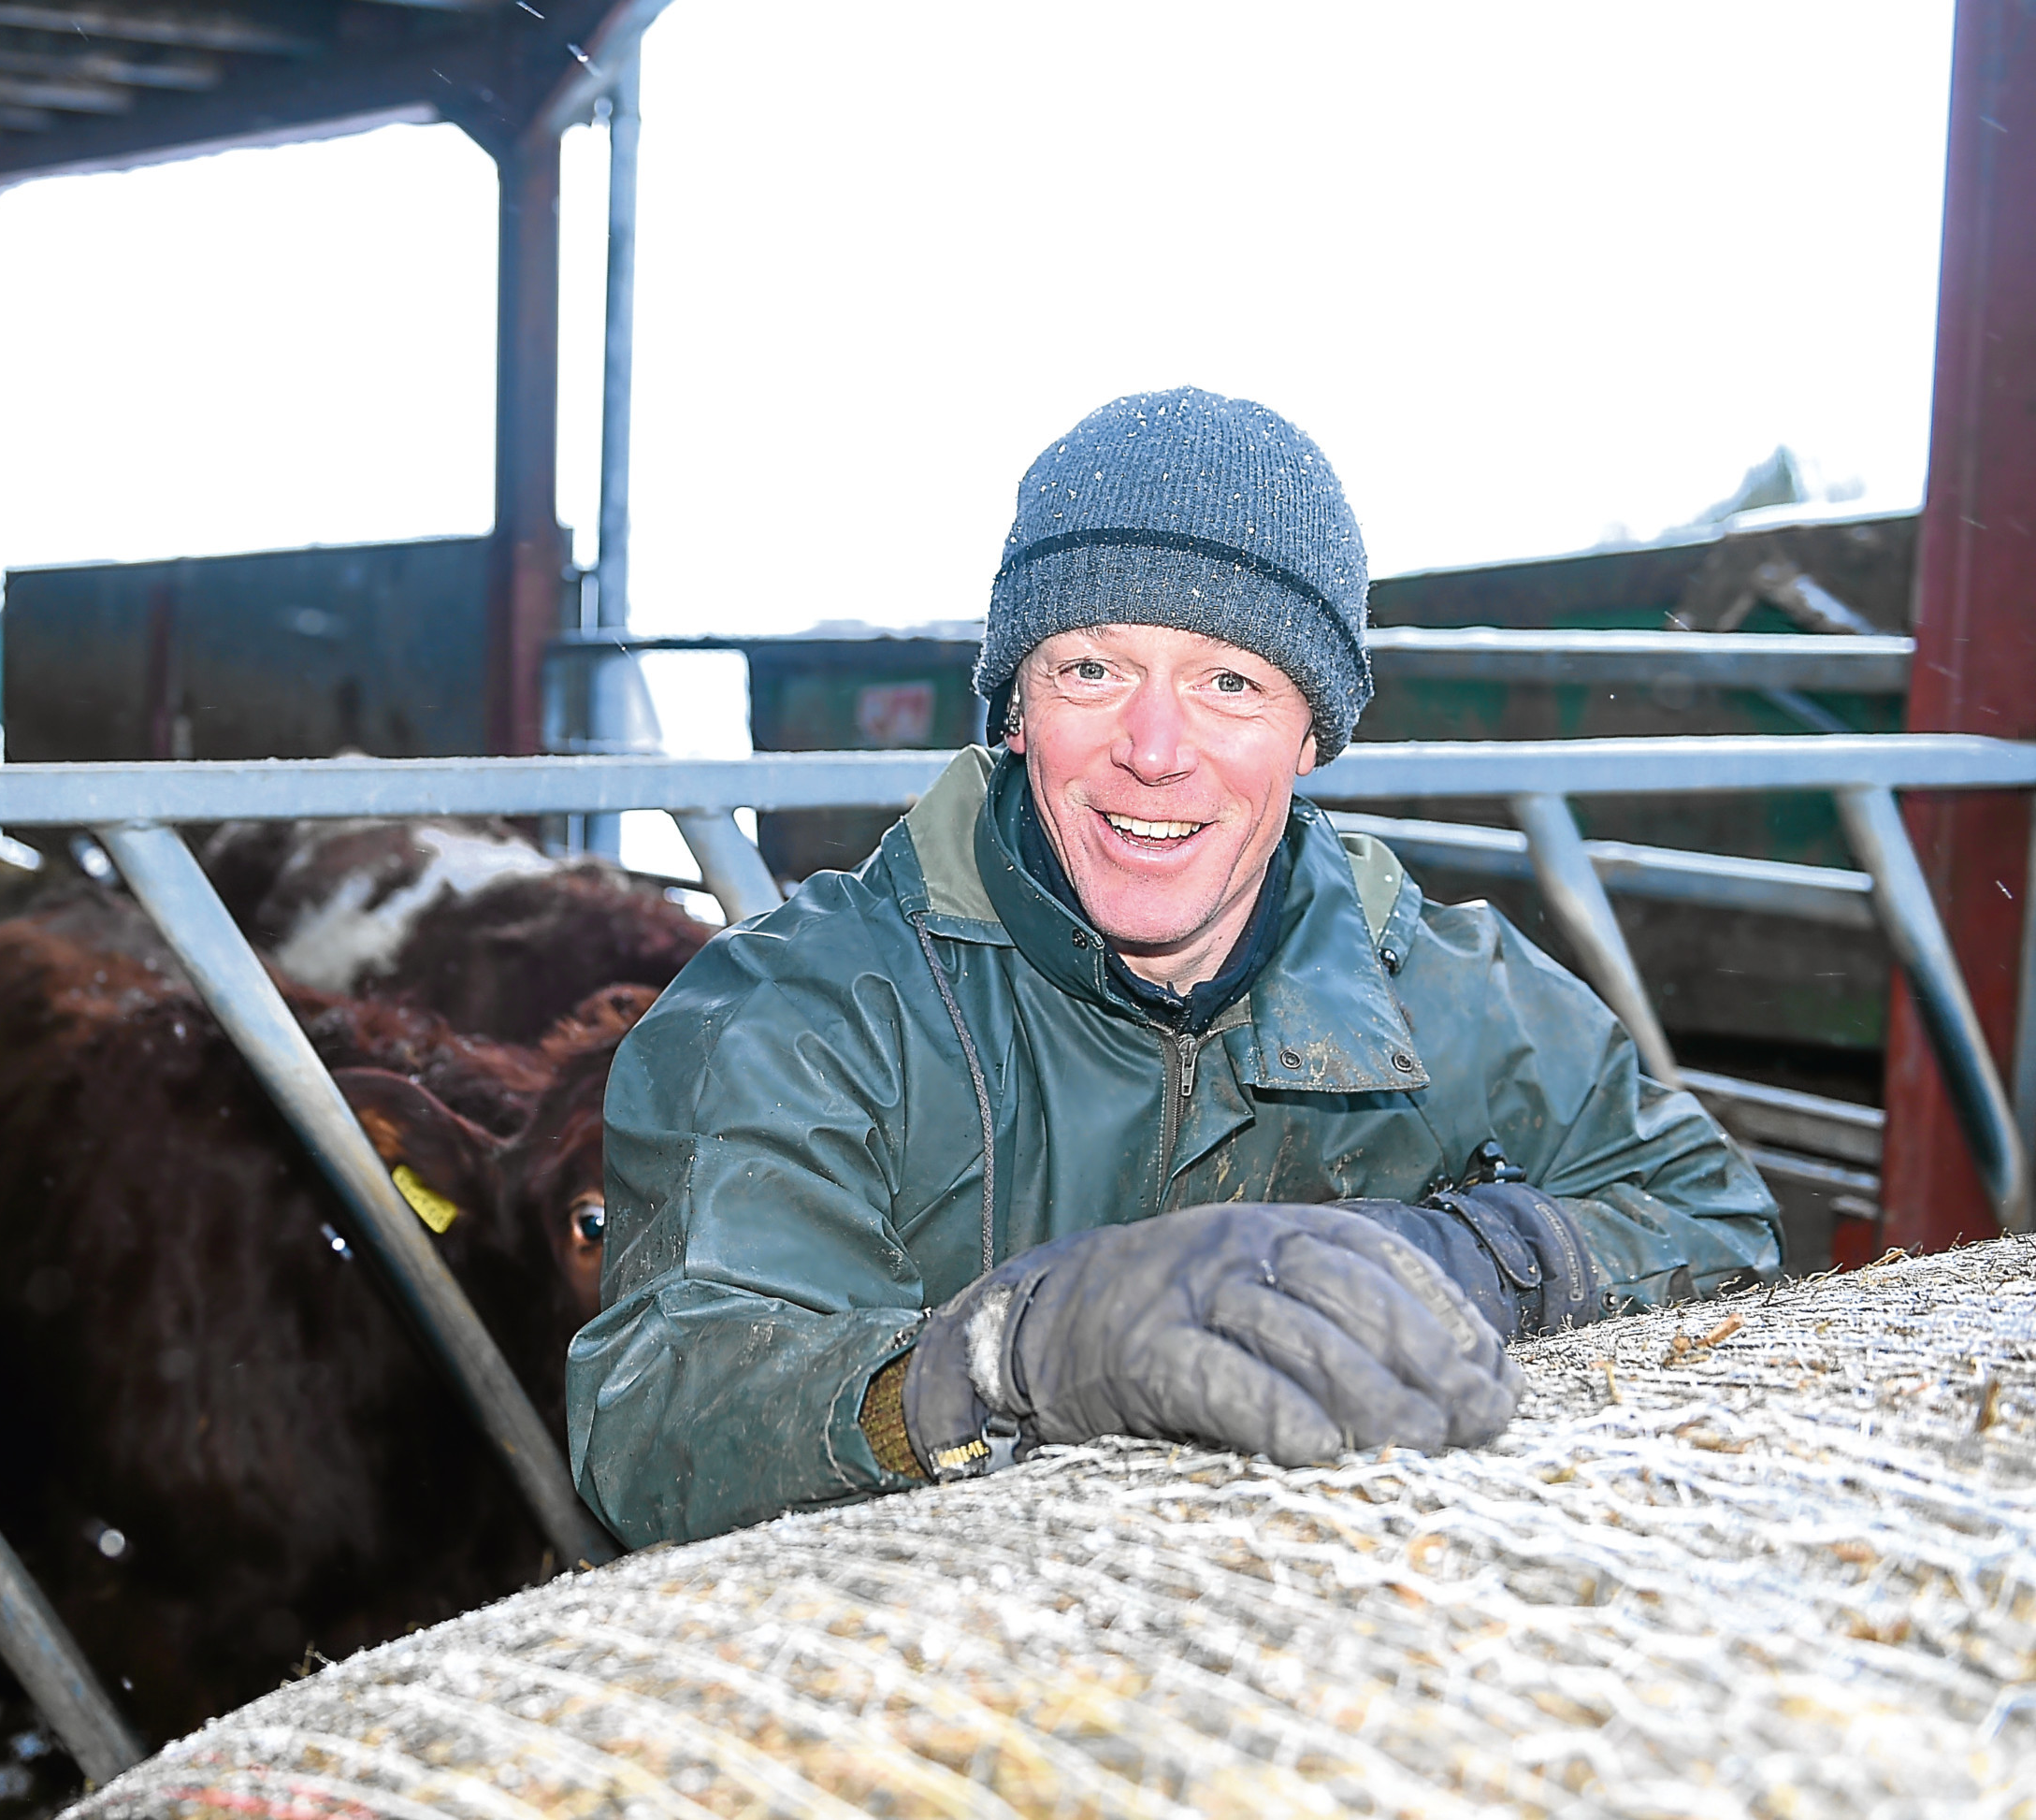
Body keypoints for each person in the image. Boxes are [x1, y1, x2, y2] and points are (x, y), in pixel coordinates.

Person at [567, 387, 1781, 1547]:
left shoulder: (1437, 983)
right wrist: (1009, 1355)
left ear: (1313, 733)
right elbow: (663, 1412)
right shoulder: (804, 1010)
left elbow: (1715, 1218)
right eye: (1092, 669)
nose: (1155, 750)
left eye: (1230, 682)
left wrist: (1443, 1260)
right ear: (1015, 710)